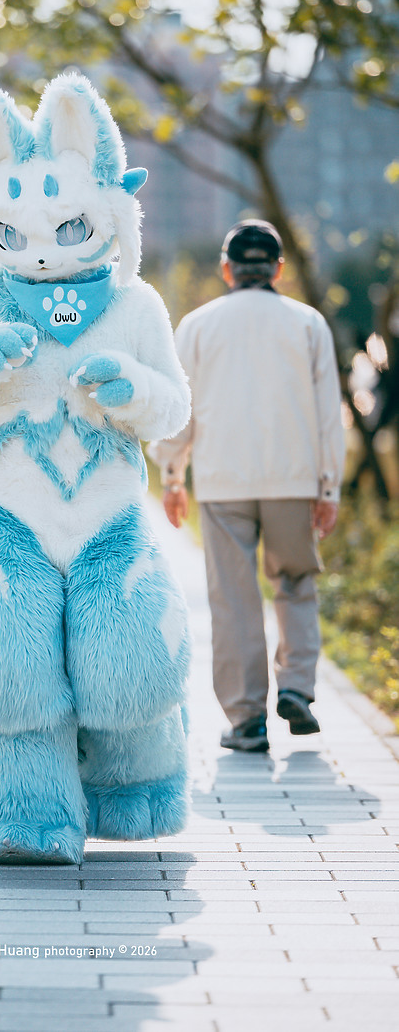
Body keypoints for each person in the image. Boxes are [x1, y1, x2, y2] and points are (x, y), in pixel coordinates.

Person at [152, 219, 345, 753]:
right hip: (294, 477)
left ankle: (245, 720)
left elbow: (177, 412)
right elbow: (331, 414)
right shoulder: (307, 324)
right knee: (295, 583)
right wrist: (329, 489)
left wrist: (172, 475)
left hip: (221, 480)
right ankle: (298, 688)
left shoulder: (197, 325)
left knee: (233, 598)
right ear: (279, 269)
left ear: (226, 268)